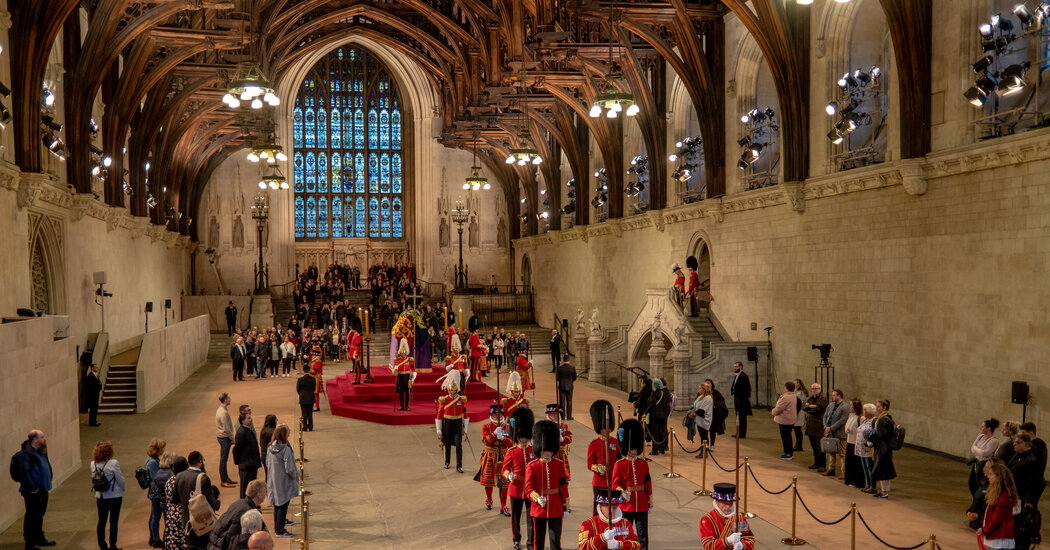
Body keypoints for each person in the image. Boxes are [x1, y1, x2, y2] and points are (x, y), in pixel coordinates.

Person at [525, 420, 570, 550]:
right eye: (545, 450)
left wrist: (565, 506)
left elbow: (563, 486)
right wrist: (537, 498)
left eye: (550, 450)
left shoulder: (558, 464)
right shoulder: (532, 466)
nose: (547, 453)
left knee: (555, 541)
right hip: (538, 508)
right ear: (540, 449)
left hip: (556, 507)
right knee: (538, 542)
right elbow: (528, 488)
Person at [612, 418, 652, 550]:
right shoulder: (619, 465)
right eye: (632, 448)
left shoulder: (643, 464)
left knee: (643, 535)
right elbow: (615, 484)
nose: (634, 450)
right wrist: (622, 493)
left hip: (641, 503)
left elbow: (648, 484)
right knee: (625, 534)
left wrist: (649, 503)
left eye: (635, 448)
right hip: (626, 505)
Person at [13, 430, 55, 550]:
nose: (44, 439)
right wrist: (33, 488)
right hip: (32, 492)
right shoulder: (26, 455)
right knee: (31, 516)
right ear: (34, 439)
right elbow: (24, 473)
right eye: (42, 437)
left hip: (43, 489)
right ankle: (29, 543)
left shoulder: (41, 451)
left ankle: (39, 538)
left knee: (39, 515)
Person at [503, 408, 536, 550]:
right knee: (515, 518)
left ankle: (530, 542)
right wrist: (509, 475)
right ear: (517, 436)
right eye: (521, 436)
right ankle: (516, 539)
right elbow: (504, 469)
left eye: (526, 437)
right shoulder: (511, 452)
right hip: (516, 488)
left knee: (531, 518)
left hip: (530, 489)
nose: (523, 439)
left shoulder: (533, 451)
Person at [175, 451, 221, 550]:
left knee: (191, 546)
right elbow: (211, 502)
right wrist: (218, 502)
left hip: (186, 521)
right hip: (201, 521)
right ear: (200, 461)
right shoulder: (203, 478)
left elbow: (175, 499)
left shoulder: (179, 476)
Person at [206, 479, 266, 550]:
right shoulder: (247, 512)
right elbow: (232, 538)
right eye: (265, 491)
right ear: (258, 494)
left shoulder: (240, 502)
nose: (266, 494)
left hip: (214, 543)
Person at [265, 425, 299, 537]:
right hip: (284, 482)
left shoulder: (270, 448)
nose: (289, 434)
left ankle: (277, 528)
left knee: (277, 505)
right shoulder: (285, 449)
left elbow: (267, 463)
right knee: (283, 505)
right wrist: (295, 475)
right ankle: (280, 530)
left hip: (273, 480)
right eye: (287, 432)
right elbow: (289, 469)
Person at [91, 441, 126, 550]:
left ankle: (102, 545)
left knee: (101, 521)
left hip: (100, 496)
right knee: (113, 521)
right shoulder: (113, 463)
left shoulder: (93, 463)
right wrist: (123, 488)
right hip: (114, 495)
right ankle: (113, 545)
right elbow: (119, 479)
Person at [699, 483, 755, 550]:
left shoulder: (739, 518)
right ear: (717, 502)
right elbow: (708, 545)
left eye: (730, 503)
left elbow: (749, 539)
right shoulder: (708, 520)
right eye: (725, 503)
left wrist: (742, 545)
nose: (728, 507)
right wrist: (727, 541)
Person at [976, 461, 1018, 550]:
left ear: (999, 478)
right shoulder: (996, 493)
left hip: (1000, 539)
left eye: (991, 474)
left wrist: (985, 530)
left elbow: (997, 518)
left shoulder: (1004, 495)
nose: (988, 476)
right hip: (993, 537)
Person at [588, 400, 619, 515]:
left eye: (609, 428)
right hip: (599, 482)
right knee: (598, 509)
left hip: (613, 481)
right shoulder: (594, 444)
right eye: (604, 428)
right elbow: (590, 463)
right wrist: (597, 468)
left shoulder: (616, 443)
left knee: (613, 509)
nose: (607, 430)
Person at [479, 404, 511, 515]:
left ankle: (503, 505)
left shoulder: (507, 426)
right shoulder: (486, 426)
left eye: (499, 414)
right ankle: (489, 499)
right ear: (491, 415)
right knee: (488, 480)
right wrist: (494, 434)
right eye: (495, 414)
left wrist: (502, 438)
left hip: (503, 456)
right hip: (490, 456)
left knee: (504, 482)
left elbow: (511, 443)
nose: (497, 417)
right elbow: (485, 440)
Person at [436, 375, 468, 472]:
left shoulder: (461, 399)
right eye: (451, 390)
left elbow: (465, 414)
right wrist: (438, 429)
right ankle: (447, 462)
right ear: (448, 390)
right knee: (447, 444)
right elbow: (439, 415)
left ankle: (459, 465)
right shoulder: (444, 400)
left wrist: (465, 429)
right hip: (448, 424)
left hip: (458, 424)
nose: (452, 392)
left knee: (459, 445)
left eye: (454, 390)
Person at [866, 399, 896, 499]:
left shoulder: (883, 419)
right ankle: (884, 491)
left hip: (883, 448)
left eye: (879, 406)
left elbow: (881, 435)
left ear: (884, 408)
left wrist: (870, 438)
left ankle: (884, 492)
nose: (877, 408)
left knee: (883, 470)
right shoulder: (886, 417)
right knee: (885, 470)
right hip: (885, 448)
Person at [233, 412, 261, 500]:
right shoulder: (241, 432)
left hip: (251, 464)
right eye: (248, 418)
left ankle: (251, 504)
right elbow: (236, 449)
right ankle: (245, 506)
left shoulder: (248, 430)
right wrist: (240, 463)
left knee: (252, 488)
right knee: (245, 488)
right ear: (243, 421)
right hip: (246, 465)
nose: (251, 419)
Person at [148, 453, 175, 548]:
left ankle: (153, 538)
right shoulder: (170, 474)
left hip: (154, 496)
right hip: (163, 500)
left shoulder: (159, 472)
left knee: (154, 517)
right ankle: (163, 539)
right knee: (166, 520)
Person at [970, 418, 1002, 495]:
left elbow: (985, 453)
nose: (981, 428)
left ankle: (982, 502)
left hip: (984, 465)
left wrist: (977, 449)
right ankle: (975, 500)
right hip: (976, 463)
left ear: (988, 428)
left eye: (983, 426)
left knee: (981, 485)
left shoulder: (994, 441)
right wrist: (980, 451)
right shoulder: (980, 436)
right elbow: (972, 448)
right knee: (971, 483)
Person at [163, 456, 189, 550]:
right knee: (184, 542)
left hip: (171, 515)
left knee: (173, 542)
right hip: (182, 515)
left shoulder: (169, 481)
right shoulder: (183, 481)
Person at [143, 439, 165, 547]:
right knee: (155, 517)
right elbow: (156, 478)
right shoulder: (152, 462)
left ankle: (152, 537)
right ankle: (155, 539)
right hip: (156, 493)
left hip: (154, 492)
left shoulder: (151, 459)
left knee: (153, 516)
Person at [822, 389, 849, 478]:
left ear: (839, 396)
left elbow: (842, 420)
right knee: (831, 452)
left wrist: (832, 428)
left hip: (840, 433)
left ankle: (844, 471)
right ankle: (831, 469)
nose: (832, 396)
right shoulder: (831, 405)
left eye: (834, 395)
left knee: (842, 453)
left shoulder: (845, 407)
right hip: (829, 432)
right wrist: (826, 426)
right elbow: (825, 416)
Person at [802, 383, 828, 471]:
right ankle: (816, 463)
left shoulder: (823, 399)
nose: (814, 390)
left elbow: (817, 409)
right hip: (810, 426)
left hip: (818, 426)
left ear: (820, 389)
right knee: (814, 447)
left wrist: (809, 407)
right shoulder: (811, 398)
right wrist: (809, 406)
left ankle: (822, 465)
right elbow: (803, 407)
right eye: (812, 388)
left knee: (820, 447)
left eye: (815, 388)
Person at [215, 392, 237, 488]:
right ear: (225, 400)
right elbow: (227, 429)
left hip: (224, 437)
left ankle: (226, 477)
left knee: (225, 459)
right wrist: (233, 439)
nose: (230, 399)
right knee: (223, 459)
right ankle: (223, 480)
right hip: (224, 438)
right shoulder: (223, 412)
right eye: (228, 398)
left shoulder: (222, 410)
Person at [772, 381, 798, 460]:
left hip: (785, 420)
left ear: (787, 388)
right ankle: (790, 452)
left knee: (785, 437)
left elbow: (779, 408)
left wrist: (773, 412)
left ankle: (788, 453)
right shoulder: (793, 396)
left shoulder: (786, 397)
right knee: (788, 436)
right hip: (790, 419)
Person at [547, 404, 573, 481]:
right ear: (549, 415)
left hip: (561, 454)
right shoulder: (545, 426)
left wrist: (562, 439)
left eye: (557, 413)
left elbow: (570, 438)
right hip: (550, 454)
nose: (556, 415)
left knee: (562, 478)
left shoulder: (563, 425)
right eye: (554, 413)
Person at [855, 403, 877, 493]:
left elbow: (874, 434)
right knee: (864, 467)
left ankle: (873, 486)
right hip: (861, 448)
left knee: (869, 467)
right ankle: (868, 484)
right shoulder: (865, 420)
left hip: (868, 449)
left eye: (864, 410)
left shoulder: (874, 421)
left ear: (869, 412)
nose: (863, 412)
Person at [844, 399, 865, 489]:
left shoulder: (861, 418)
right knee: (849, 462)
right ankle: (849, 479)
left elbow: (861, 430)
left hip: (856, 442)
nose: (850, 407)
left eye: (851, 405)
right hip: (849, 441)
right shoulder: (851, 415)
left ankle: (857, 481)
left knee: (856, 463)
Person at [688, 382, 713, 458]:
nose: (699, 389)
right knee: (702, 437)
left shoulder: (708, 398)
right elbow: (696, 406)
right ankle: (703, 450)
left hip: (704, 420)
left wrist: (693, 414)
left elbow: (702, 411)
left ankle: (705, 452)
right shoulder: (701, 396)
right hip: (698, 420)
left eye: (700, 388)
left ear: (704, 389)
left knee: (704, 436)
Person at [646, 380, 670, 455]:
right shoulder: (663, 393)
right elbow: (666, 405)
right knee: (661, 432)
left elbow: (652, 405)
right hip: (662, 416)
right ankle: (662, 449)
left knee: (654, 433)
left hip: (655, 416)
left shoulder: (654, 394)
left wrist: (645, 412)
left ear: (655, 386)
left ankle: (655, 450)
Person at [729, 361, 751, 438]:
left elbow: (748, 389)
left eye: (736, 366)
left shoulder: (744, 376)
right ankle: (738, 432)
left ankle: (742, 434)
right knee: (738, 416)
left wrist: (742, 397)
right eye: (734, 366)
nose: (734, 368)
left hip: (742, 400)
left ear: (740, 367)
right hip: (737, 398)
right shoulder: (737, 375)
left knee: (742, 417)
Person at [392, 339, 414, 411]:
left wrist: (413, 376)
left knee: (407, 392)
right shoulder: (398, 360)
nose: (403, 354)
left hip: (407, 376)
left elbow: (413, 369)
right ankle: (402, 405)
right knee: (401, 391)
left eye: (404, 353)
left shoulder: (410, 360)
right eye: (402, 353)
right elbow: (394, 370)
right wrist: (395, 369)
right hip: (400, 376)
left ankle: (407, 406)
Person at [555, 355, 577, 420]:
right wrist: (570, 381)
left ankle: (562, 416)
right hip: (570, 386)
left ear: (563, 360)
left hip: (561, 385)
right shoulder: (572, 368)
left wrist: (561, 381)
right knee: (569, 401)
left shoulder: (559, 368)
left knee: (562, 402)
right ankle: (569, 416)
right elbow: (575, 377)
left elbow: (557, 378)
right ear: (569, 360)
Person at [792, 379, 807, 452]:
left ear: (799, 384)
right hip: (795, 412)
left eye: (796, 383)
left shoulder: (801, 393)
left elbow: (799, 402)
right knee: (796, 429)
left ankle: (799, 445)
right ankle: (797, 444)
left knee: (797, 430)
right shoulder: (795, 391)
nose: (795, 385)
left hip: (799, 412)